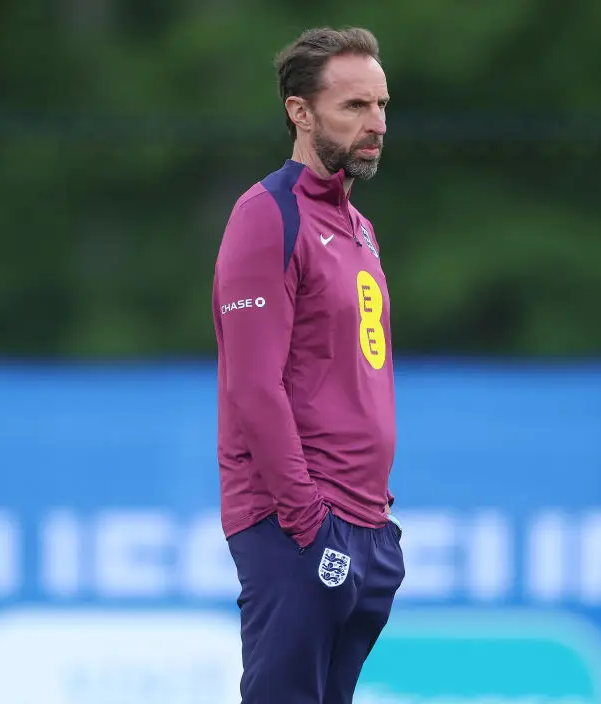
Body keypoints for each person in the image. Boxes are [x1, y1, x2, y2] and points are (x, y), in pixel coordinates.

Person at [211, 26, 405, 704]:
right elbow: (253, 389)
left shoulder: (360, 228)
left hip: (364, 527)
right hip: (296, 526)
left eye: (381, 105)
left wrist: (375, 521)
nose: (376, 123)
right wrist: (309, 525)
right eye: (355, 107)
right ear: (300, 111)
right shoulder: (268, 215)